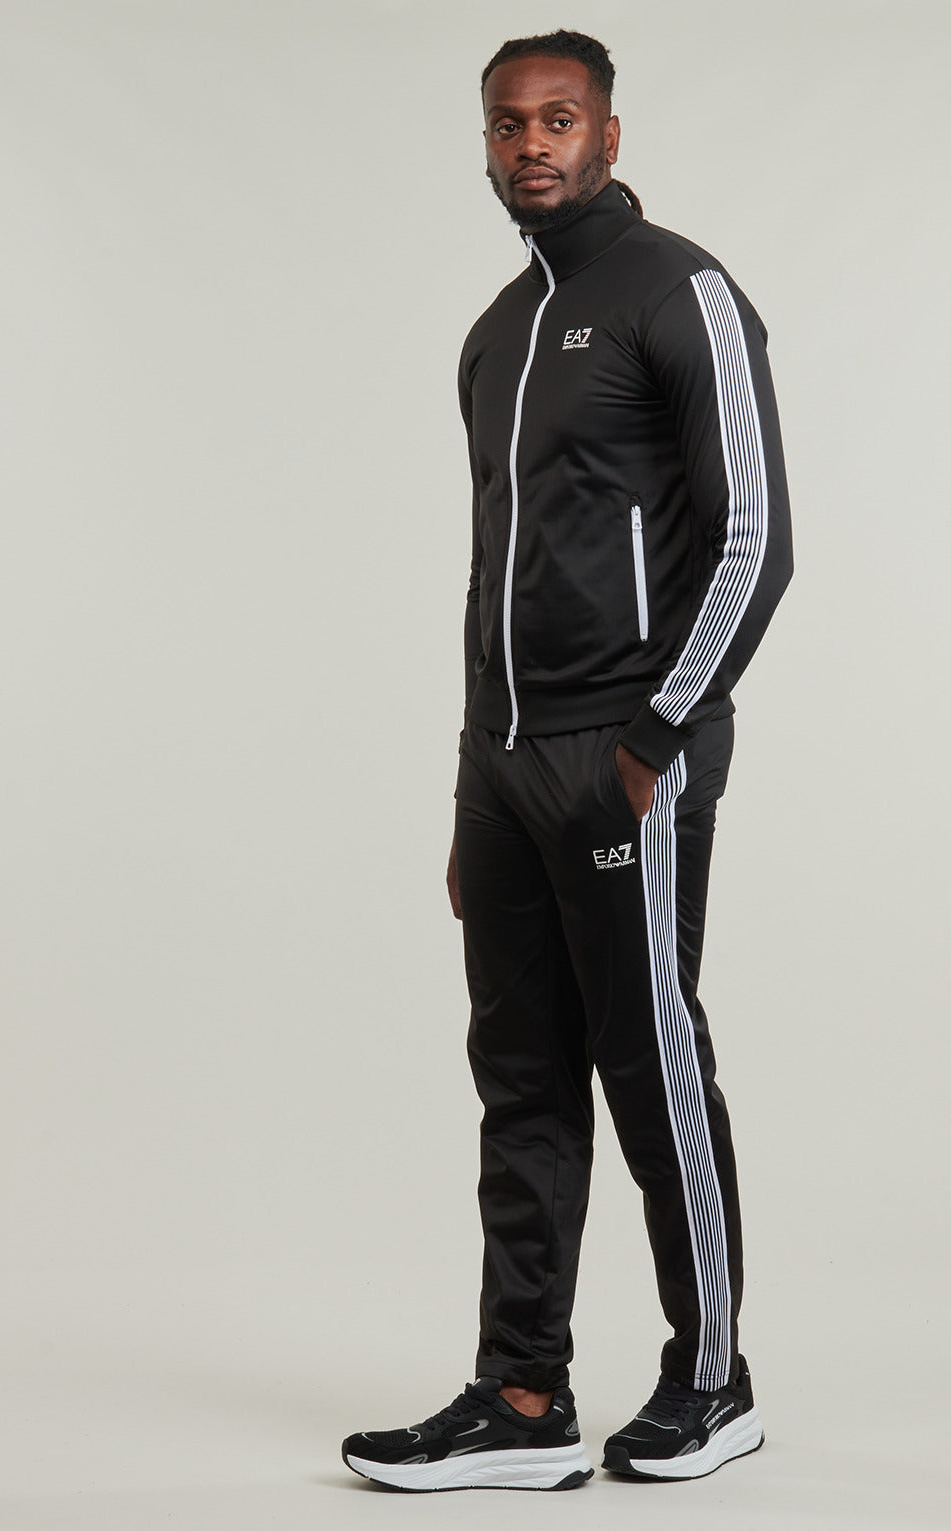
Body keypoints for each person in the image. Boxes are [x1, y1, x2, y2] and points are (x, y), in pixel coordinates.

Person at [342, 28, 793, 1492]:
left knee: (650, 1064)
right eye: (506, 123)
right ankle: (523, 1395)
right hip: (507, 764)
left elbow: (754, 542)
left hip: (626, 752)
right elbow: (498, 576)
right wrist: (473, 781)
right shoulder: (495, 333)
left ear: (607, 133)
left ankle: (713, 1381)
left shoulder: (682, 291)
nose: (530, 144)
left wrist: (659, 737)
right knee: (521, 1074)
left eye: (557, 119)